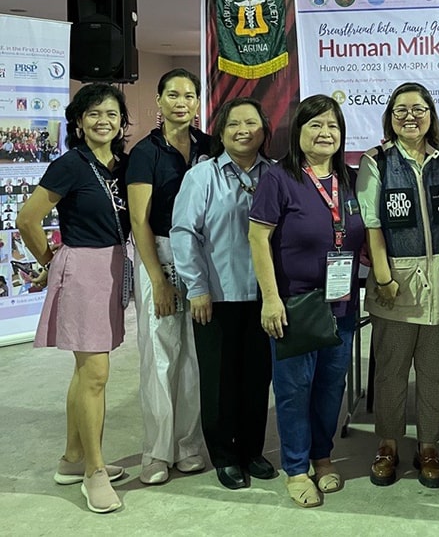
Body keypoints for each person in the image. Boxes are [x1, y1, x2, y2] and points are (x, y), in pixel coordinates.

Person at [15, 83, 131, 513]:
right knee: (96, 374)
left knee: (86, 373)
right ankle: (94, 472)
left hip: (114, 265)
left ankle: (71, 459)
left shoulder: (120, 166)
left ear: (122, 122)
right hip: (82, 268)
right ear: (79, 123)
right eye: (95, 114)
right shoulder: (70, 165)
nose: (104, 121)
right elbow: (28, 219)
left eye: (112, 114)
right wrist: (51, 259)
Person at [249, 95, 365, 507]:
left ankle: (323, 456)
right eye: (315, 125)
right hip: (295, 307)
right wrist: (270, 299)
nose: (325, 133)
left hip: (342, 306)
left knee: (331, 388)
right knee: (295, 390)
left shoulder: (350, 179)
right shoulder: (279, 179)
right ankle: (296, 468)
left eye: (332, 125)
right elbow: (258, 238)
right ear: (298, 132)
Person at [356, 82, 439, 489]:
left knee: (436, 371)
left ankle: (428, 446)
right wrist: (383, 278)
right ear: (390, 117)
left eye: (418, 109)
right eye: (401, 110)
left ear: (431, 115)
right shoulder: (377, 162)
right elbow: (372, 225)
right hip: (396, 284)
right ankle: (387, 444)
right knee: (390, 370)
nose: (410, 117)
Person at [170, 98, 275, 491]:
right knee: (219, 382)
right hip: (216, 296)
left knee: (256, 378)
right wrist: (196, 288)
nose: (243, 130)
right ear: (221, 131)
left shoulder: (277, 175)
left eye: (252, 122)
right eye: (234, 123)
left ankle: (252, 450)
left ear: (264, 130)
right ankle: (225, 456)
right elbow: (184, 234)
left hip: (265, 298)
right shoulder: (202, 177)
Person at [126, 68, 209, 485]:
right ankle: (157, 452)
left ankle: (189, 444)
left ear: (198, 102)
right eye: (173, 94)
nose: (182, 102)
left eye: (190, 95)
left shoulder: (209, 147)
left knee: (194, 356)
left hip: (201, 256)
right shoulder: (145, 152)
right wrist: (157, 279)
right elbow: (139, 221)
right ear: (158, 101)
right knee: (160, 355)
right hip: (158, 252)